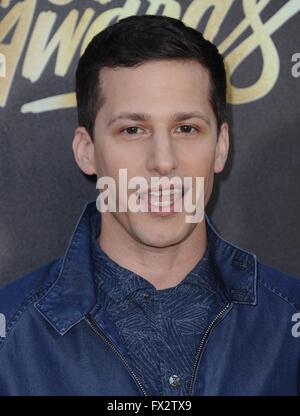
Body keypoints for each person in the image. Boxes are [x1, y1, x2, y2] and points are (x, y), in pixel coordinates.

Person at [0, 14, 299, 396]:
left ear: (220, 147)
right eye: (133, 130)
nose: (162, 161)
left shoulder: (290, 325)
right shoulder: (10, 336)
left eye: (186, 128)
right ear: (87, 151)